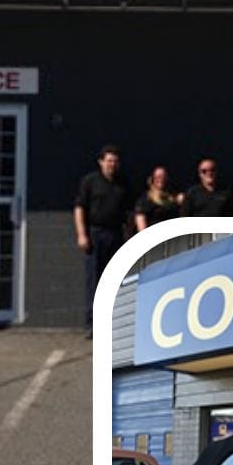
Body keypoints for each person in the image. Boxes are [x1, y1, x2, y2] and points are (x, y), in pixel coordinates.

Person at [74, 144, 131, 337]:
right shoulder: (90, 182)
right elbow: (80, 208)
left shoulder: (123, 183)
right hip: (95, 234)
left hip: (116, 234)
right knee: (95, 280)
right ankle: (93, 324)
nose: (112, 165)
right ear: (101, 162)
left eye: (115, 161)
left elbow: (129, 211)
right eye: (109, 161)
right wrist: (82, 234)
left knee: (115, 279)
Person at [134, 166, 181, 230]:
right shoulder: (145, 199)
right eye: (158, 177)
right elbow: (141, 224)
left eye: (163, 177)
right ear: (152, 179)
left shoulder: (172, 198)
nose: (161, 179)